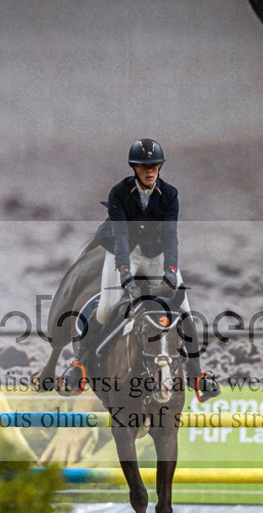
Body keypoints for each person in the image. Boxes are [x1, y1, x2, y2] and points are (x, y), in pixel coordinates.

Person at [60, 138, 221, 399]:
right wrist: (124, 270)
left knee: (186, 312)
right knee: (106, 306)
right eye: (145, 166)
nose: (150, 171)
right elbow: (121, 236)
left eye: (155, 166)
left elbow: (171, 236)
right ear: (134, 168)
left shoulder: (170, 195)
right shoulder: (119, 193)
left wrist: (170, 268)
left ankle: (198, 376)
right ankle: (78, 364)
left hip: (158, 256)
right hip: (126, 254)